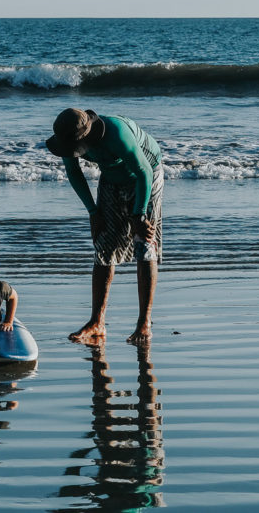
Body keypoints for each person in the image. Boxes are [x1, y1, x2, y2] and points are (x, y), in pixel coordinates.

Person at [46, 108, 163, 345]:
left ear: (86, 137)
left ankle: (144, 323)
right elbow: (73, 172)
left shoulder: (117, 134)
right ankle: (96, 322)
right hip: (111, 178)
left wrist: (139, 215)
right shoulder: (68, 135)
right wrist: (93, 211)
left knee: (144, 245)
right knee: (103, 246)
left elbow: (144, 172)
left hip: (146, 178)